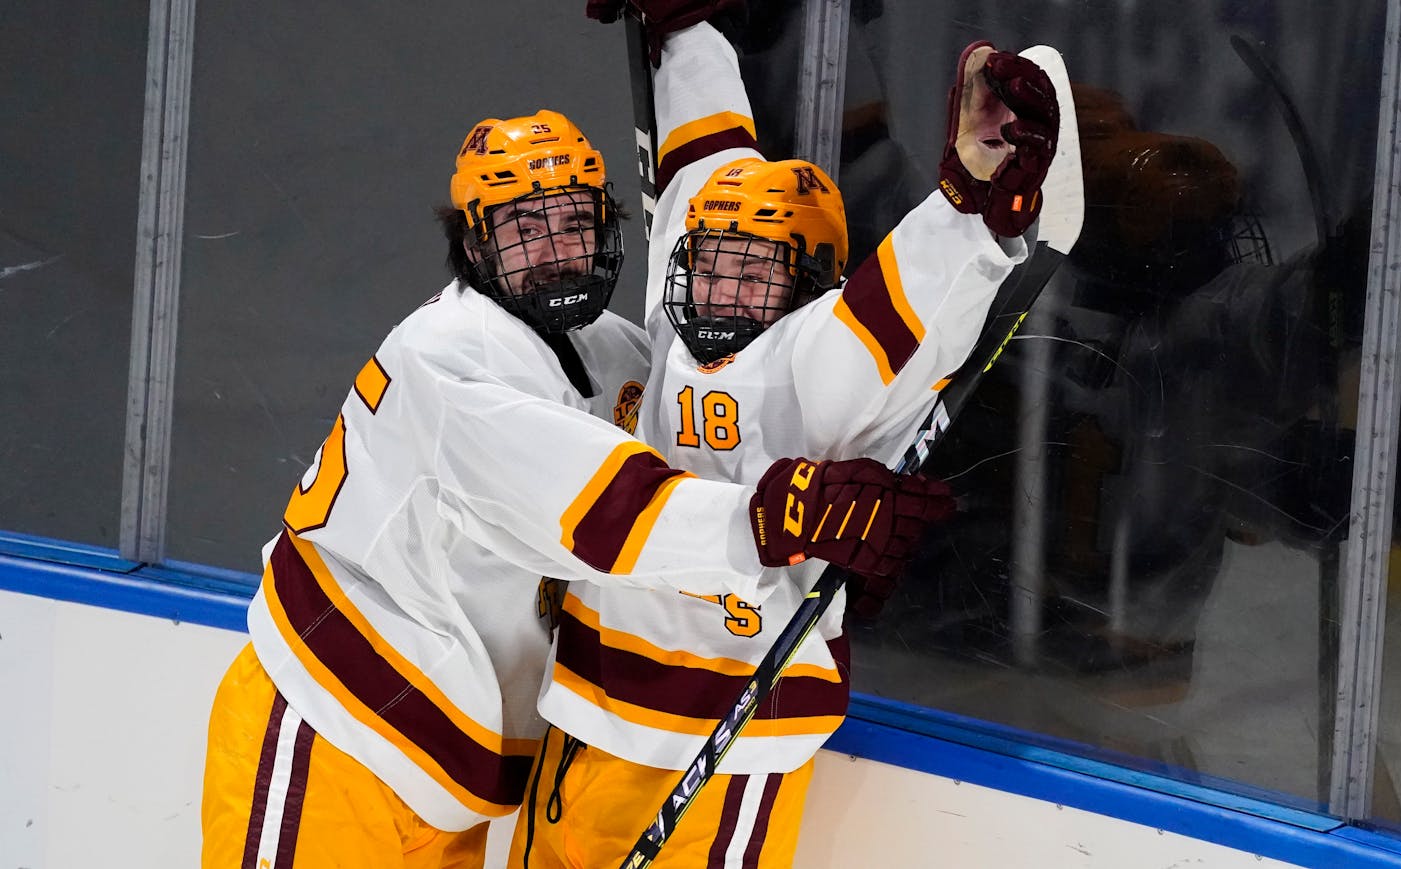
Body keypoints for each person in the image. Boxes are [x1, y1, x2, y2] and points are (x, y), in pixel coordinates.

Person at [199, 108, 950, 868]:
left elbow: (705, 443)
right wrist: (779, 521)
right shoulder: (448, 360)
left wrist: (825, 531)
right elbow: (608, 509)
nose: (555, 251)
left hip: (448, 766)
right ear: (473, 243)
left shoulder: (611, 351)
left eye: (574, 221)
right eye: (525, 227)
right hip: (337, 730)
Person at [508, 6, 1063, 867]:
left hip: (720, 743)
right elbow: (703, 156)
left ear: (807, 283)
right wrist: (684, 35)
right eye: (712, 259)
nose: (721, 282)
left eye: (755, 268)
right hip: (584, 700)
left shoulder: (816, 354)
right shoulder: (678, 298)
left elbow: (897, 308)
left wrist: (972, 205)